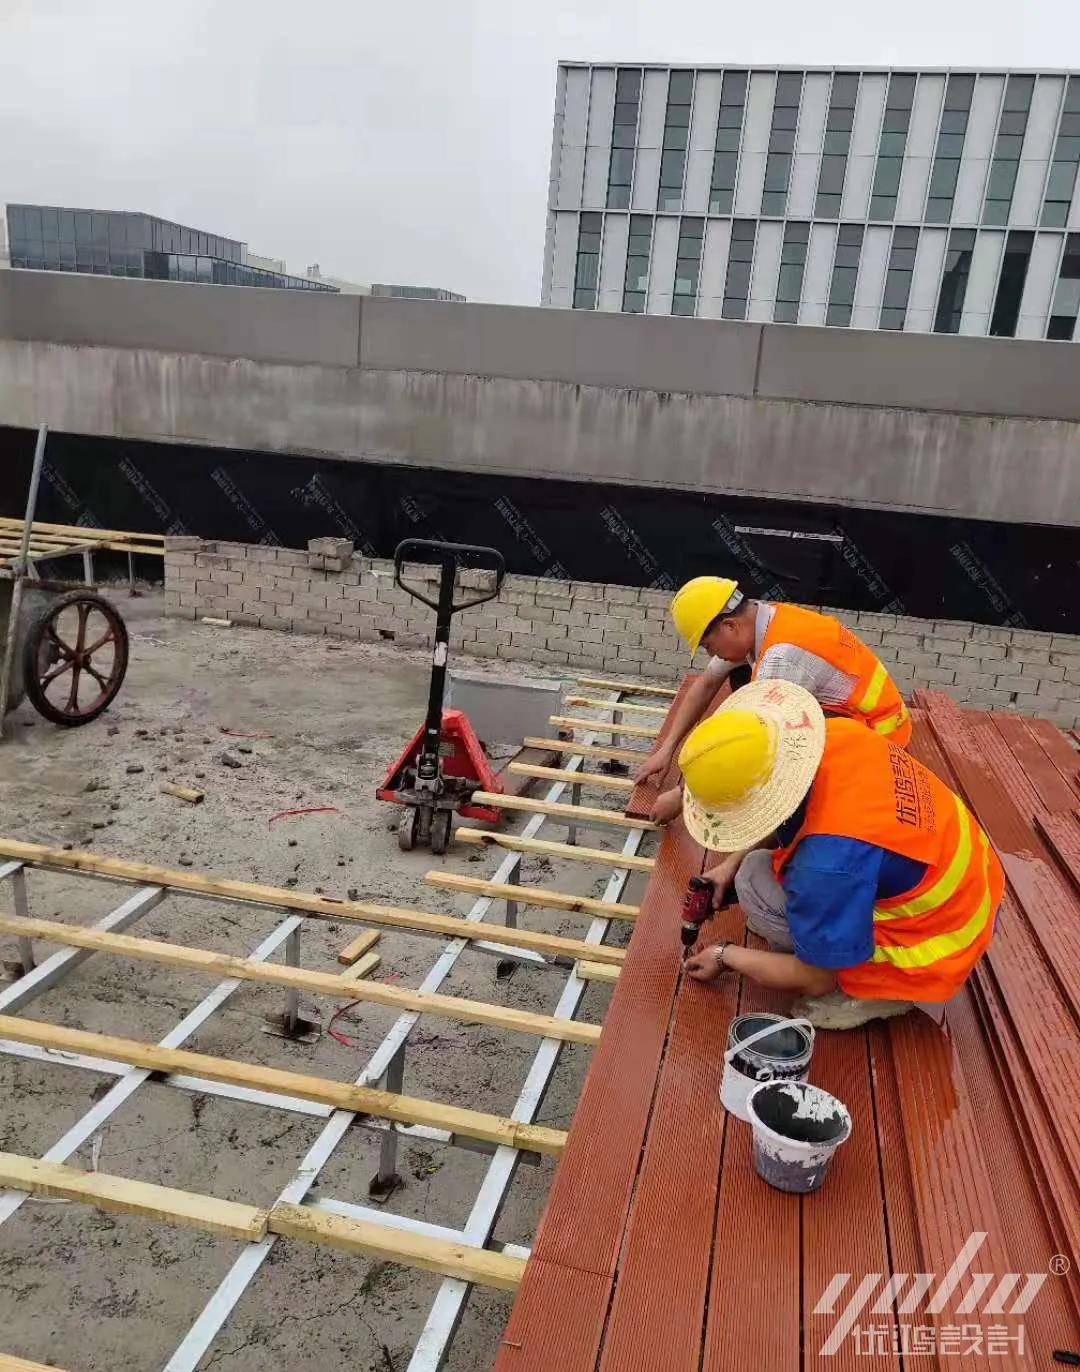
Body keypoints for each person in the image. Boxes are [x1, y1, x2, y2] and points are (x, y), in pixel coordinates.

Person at [676, 678, 1002, 1030]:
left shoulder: (826, 865)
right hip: (968, 880)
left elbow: (816, 978)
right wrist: (727, 866)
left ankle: (878, 993)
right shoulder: (838, 735)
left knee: (756, 881)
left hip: (935, 944)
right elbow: (786, 807)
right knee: (749, 870)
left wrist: (726, 956)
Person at [635, 577, 911, 823]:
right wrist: (667, 749)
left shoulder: (781, 658)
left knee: (775, 754)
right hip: (859, 712)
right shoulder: (764, 617)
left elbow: (755, 746)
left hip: (880, 737)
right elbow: (706, 683)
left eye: (708, 646)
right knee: (742, 680)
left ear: (729, 625)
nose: (711, 655)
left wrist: (684, 798)